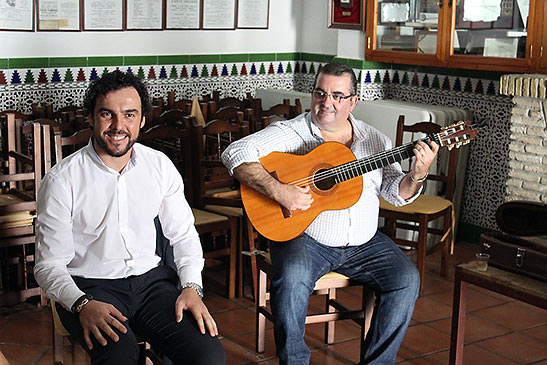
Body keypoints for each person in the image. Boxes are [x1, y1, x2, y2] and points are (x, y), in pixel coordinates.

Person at [221, 62, 439, 364]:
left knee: (406, 278)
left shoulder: (376, 141)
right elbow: (234, 153)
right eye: (321, 93)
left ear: (353, 101)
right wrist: (278, 190)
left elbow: (394, 193)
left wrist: (416, 175)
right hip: (307, 239)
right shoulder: (293, 131)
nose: (327, 103)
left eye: (338, 95)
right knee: (292, 278)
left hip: (364, 242)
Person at [34, 70, 226, 364]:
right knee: (120, 357)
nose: (118, 126)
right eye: (107, 114)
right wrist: (82, 303)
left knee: (207, 355)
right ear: (90, 118)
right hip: (90, 287)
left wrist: (191, 286)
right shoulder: (62, 179)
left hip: (153, 286)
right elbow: (48, 266)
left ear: (142, 120)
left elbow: (184, 234)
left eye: (129, 114)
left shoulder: (159, 166)